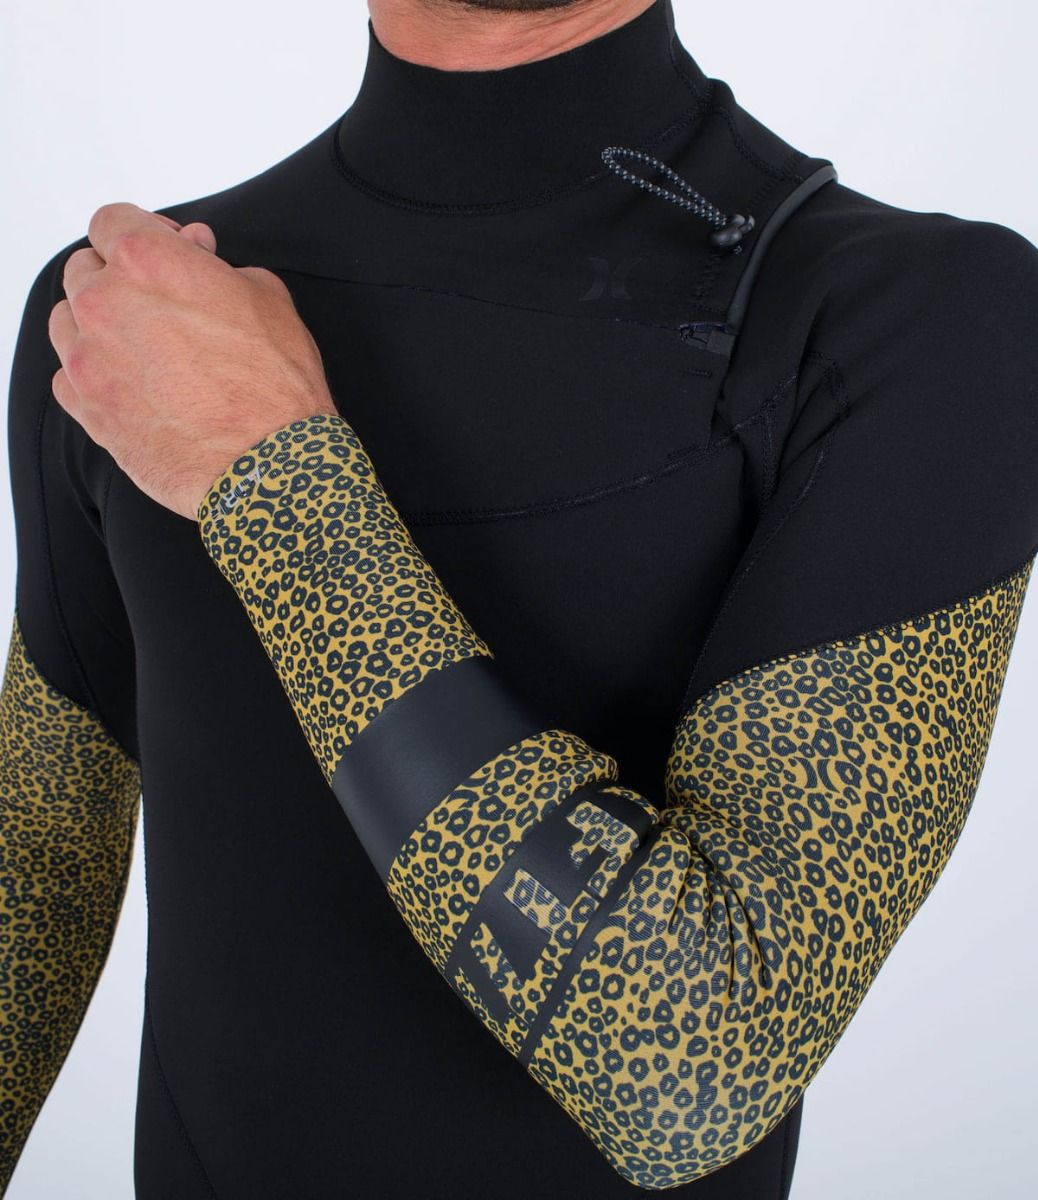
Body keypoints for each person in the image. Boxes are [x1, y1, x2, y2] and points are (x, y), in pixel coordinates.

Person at [2, 0, 1036, 1195]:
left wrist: (272, 480)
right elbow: (33, 875)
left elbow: (692, 1067)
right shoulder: (128, 322)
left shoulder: (915, 315)